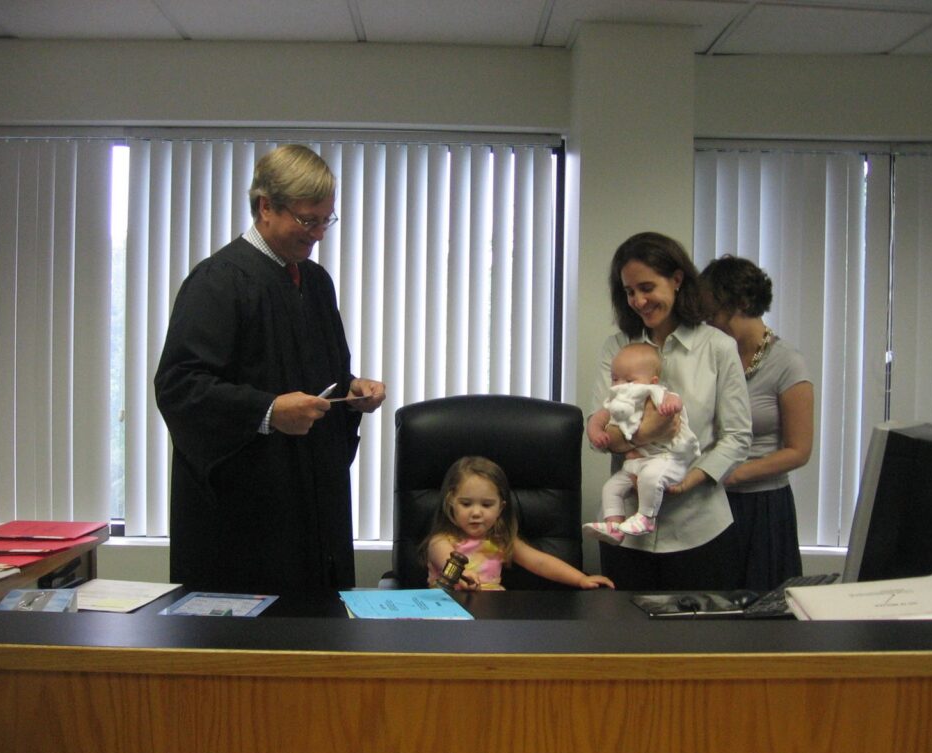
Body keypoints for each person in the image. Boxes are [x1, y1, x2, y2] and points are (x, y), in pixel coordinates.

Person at [155, 144, 386, 593]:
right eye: (308, 220)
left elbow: (326, 374)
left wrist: (354, 389)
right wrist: (268, 411)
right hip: (247, 520)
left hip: (315, 508)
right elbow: (180, 387)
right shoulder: (218, 281)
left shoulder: (315, 283)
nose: (319, 234)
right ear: (266, 207)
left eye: (326, 220)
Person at [591, 232, 752, 591]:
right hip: (625, 532)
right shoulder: (616, 347)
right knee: (623, 625)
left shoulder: (718, 348)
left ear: (677, 279)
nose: (638, 301)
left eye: (647, 287)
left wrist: (688, 481)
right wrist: (651, 432)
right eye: (629, 292)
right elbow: (599, 430)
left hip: (699, 528)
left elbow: (737, 436)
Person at [700, 255, 814, 591]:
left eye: (714, 314)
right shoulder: (712, 357)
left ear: (743, 303)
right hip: (710, 501)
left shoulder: (788, 362)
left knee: (763, 607)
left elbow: (798, 451)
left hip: (763, 507)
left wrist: (732, 474)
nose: (709, 324)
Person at [423, 456, 615, 591]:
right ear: (451, 503)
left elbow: (540, 562)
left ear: (500, 508)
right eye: (466, 504)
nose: (476, 513)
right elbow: (448, 560)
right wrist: (462, 573)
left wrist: (581, 579)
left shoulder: (501, 541)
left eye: (487, 505)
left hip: (489, 612)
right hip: (446, 609)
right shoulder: (441, 541)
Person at [583, 342, 700, 541]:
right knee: (611, 488)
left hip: (665, 458)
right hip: (636, 461)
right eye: (615, 378)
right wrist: (595, 432)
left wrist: (671, 406)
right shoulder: (615, 399)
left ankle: (646, 518)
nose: (620, 385)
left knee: (650, 477)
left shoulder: (654, 392)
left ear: (652, 381)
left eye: (629, 380)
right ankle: (614, 526)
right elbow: (598, 417)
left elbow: (675, 400)